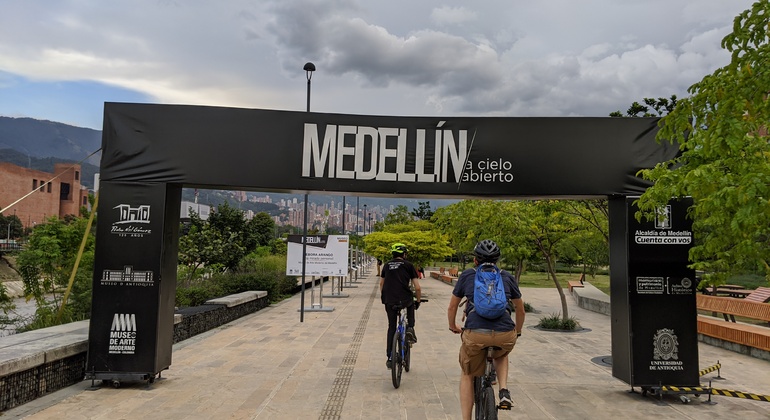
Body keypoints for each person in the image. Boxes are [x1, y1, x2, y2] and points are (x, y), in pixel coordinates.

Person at [447, 239, 525, 419]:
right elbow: (520, 309)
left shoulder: (467, 275)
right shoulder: (506, 277)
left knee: (467, 373)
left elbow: (452, 307)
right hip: (505, 333)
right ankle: (504, 390)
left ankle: (466, 418)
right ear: (498, 260)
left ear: (475, 260)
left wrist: (453, 326)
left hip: (476, 334)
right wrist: (517, 331)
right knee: (502, 353)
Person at [380, 243, 422, 369]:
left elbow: (381, 284)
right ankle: (410, 328)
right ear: (404, 254)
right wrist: (418, 301)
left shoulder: (386, 265)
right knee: (410, 303)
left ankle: (390, 357)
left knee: (391, 327)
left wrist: (385, 297)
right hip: (404, 298)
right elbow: (417, 287)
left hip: (389, 299)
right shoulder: (408, 265)